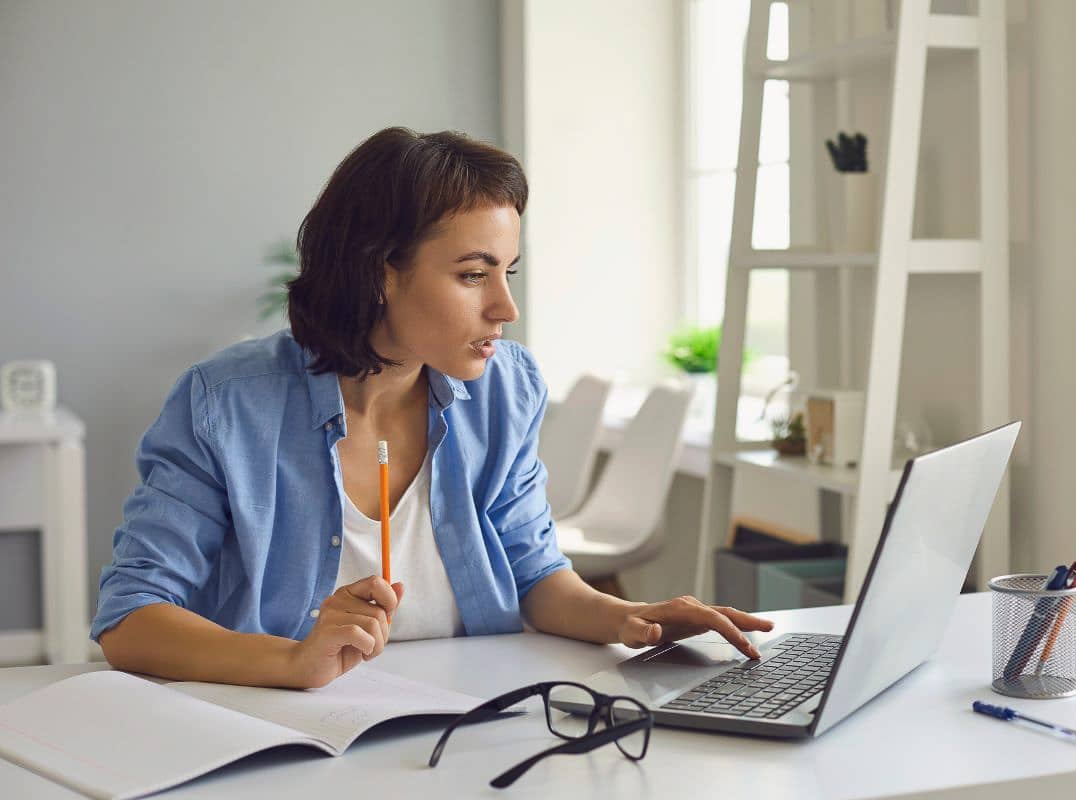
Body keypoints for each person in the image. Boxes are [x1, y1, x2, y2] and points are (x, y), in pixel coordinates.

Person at [93, 127, 774, 689]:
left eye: (508, 273)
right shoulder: (227, 403)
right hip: (284, 736)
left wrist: (633, 619)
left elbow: (534, 573)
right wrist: (291, 661)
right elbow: (131, 617)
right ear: (380, 270)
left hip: (466, 721)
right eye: (473, 274)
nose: (505, 307)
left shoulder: (505, 386)